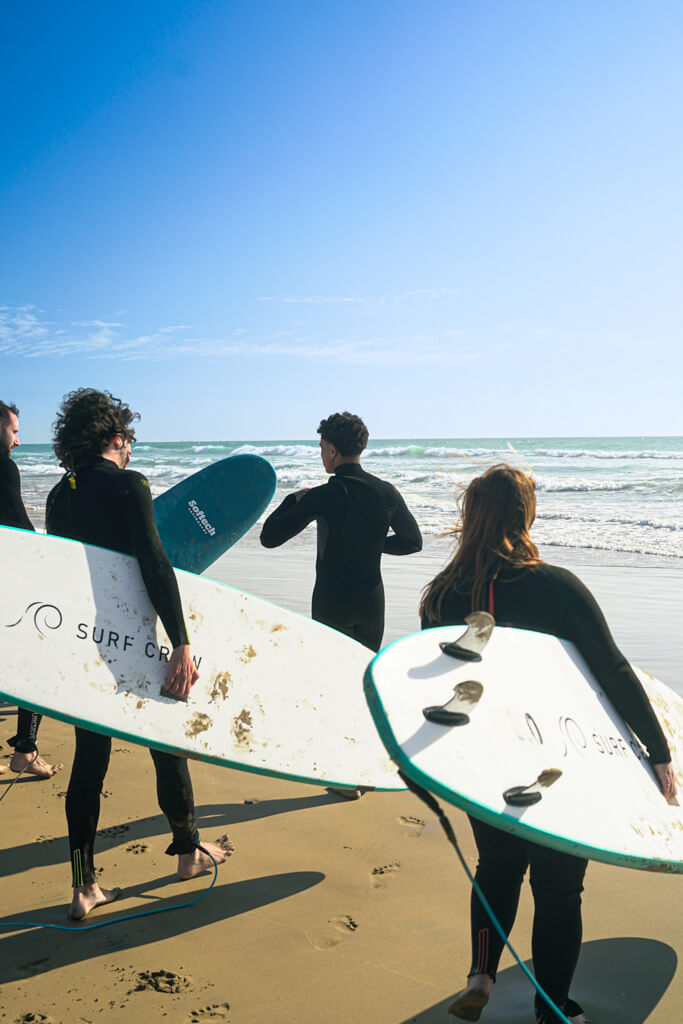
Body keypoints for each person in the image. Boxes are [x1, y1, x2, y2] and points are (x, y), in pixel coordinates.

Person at [419, 464, 676, 1024]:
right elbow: (612, 670)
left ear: (471, 516)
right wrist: (659, 752)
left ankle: (481, 975)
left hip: (481, 757)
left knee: (497, 866)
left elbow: (437, 685)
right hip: (555, 758)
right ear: (525, 514)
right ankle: (553, 1005)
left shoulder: (441, 594)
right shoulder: (556, 587)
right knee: (559, 888)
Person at [46, 388, 229, 919]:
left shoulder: (58, 496)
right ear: (117, 437)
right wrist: (182, 641)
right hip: (137, 640)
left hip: (85, 641)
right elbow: (153, 562)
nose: (130, 451)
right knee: (166, 744)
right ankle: (188, 853)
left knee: (89, 762)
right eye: (129, 441)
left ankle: (83, 886)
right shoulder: (131, 484)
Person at [260, 411, 422, 653]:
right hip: (371, 604)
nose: (321, 454)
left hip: (332, 603)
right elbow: (413, 542)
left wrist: (291, 499)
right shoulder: (386, 492)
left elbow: (269, 537)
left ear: (332, 450)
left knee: (329, 672)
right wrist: (372, 544)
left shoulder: (322, 495)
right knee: (363, 669)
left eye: (321, 447)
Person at [0, 399, 63, 779]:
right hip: (10, 585)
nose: (18, 441)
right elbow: (19, 527)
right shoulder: (4, 467)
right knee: (36, 660)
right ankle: (25, 747)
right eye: (14, 431)